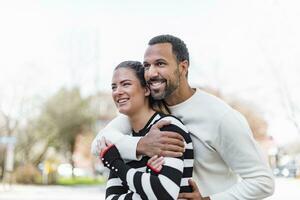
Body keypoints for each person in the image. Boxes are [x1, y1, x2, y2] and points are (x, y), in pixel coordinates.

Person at [92, 35, 275, 199]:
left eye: (160, 64)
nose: (151, 73)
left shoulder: (221, 117)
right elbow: (99, 143)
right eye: (147, 66)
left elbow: (262, 181)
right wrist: (142, 146)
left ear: (183, 67)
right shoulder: (151, 106)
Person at [98, 61, 194, 199]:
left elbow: (165, 194)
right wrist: (148, 180)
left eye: (126, 84)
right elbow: (111, 197)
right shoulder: (126, 142)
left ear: (146, 89)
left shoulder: (167, 127)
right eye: (114, 87)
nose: (117, 92)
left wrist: (116, 164)